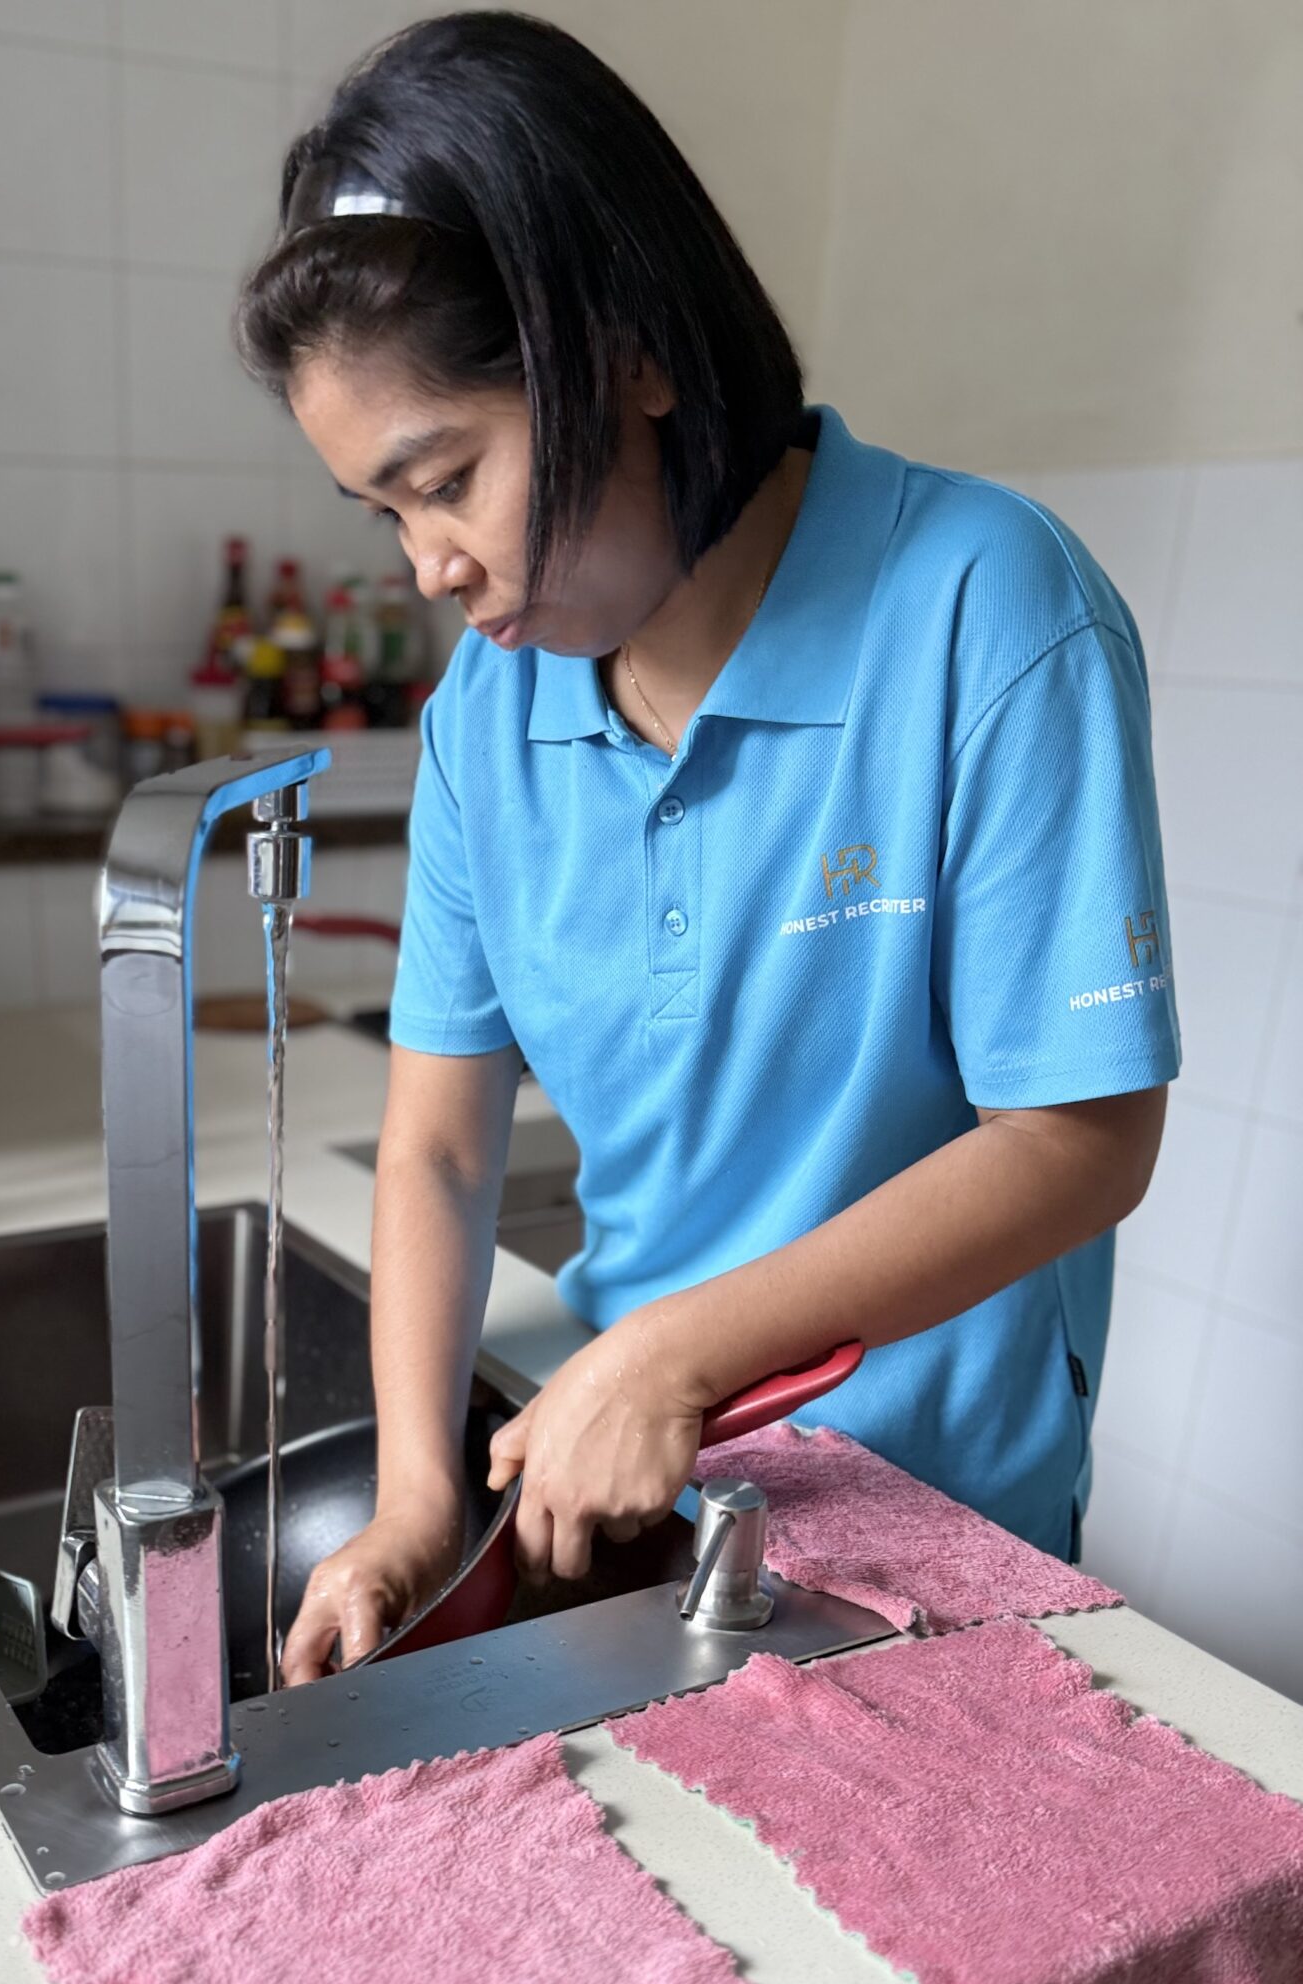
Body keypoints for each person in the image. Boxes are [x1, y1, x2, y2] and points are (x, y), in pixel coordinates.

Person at [235, 13, 1177, 1686]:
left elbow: (1079, 1137)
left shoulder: (985, 608)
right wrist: (410, 1502)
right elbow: (440, 1155)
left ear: (630, 355)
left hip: (937, 1536)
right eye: (386, 516)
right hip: (640, 1506)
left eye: (445, 479)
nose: (429, 568)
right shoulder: (485, 723)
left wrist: (675, 1351)